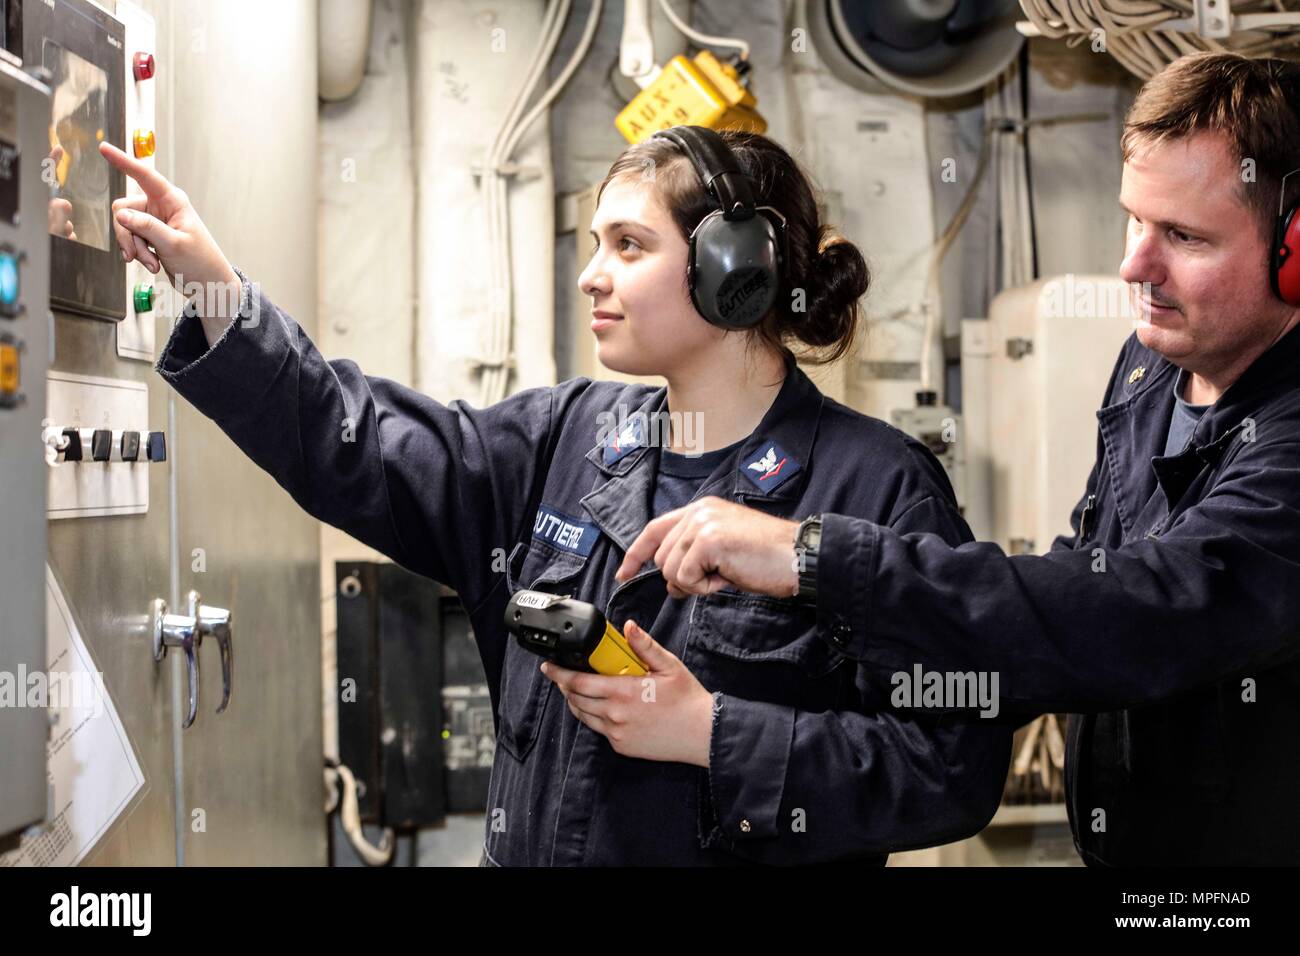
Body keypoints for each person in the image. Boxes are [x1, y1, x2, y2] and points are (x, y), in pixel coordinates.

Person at [100, 125, 1009, 866]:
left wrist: (714, 733)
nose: (591, 275)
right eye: (596, 243)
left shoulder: (879, 489)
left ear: (733, 273)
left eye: (629, 245)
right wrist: (217, 296)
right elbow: (363, 445)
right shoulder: (565, 440)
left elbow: (950, 770)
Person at [618, 55, 1300, 866]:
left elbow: (1147, 612)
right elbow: (1083, 578)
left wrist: (815, 558)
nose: (1134, 266)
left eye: (1184, 236)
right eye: (1134, 220)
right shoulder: (1153, 364)